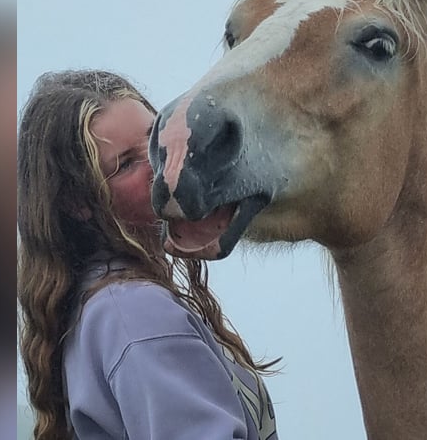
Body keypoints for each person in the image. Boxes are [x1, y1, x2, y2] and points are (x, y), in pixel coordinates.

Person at [17, 70, 279, 440]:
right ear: (79, 203)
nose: (158, 166)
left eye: (154, 139)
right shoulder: (133, 314)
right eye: (125, 164)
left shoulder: (97, 312)